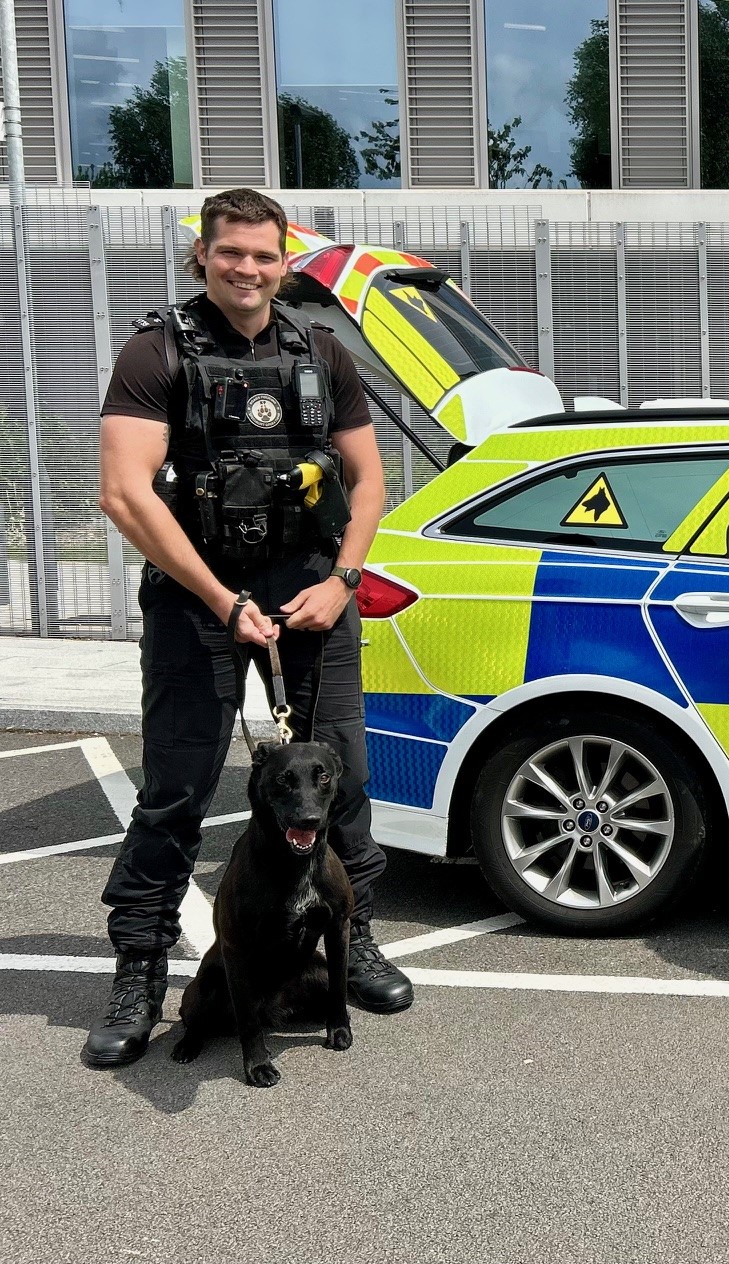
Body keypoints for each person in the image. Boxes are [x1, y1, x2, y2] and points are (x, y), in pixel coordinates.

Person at [84, 188, 413, 1069]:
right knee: (177, 790)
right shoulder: (155, 352)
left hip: (310, 593)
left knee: (336, 777)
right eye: (230, 253)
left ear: (285, 262)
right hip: (198, 598)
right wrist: (222, 600)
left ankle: (357, 935)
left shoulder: (322, 352)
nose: (247, 269)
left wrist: (344, 581)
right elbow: (124, 492)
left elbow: (371, 481)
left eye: (264, 256)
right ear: (204, 255)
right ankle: (142, 968)